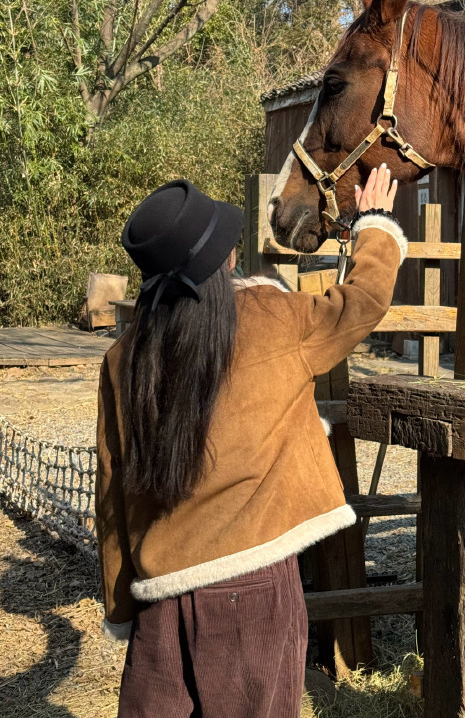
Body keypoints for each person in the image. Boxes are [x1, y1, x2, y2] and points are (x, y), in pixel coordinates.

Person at [96, 165, 404, 718]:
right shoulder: (273, 318)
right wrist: (375, 225)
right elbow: (362, 301)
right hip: (255, 591)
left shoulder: (124, 359)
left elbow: (112, 493)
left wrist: (121, 608)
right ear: (226, 261)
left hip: (159, 596)